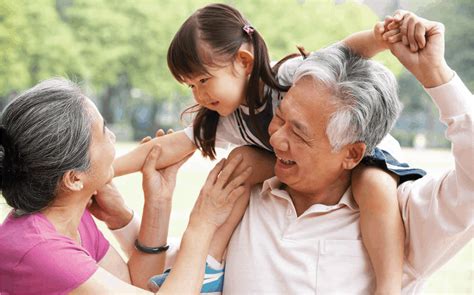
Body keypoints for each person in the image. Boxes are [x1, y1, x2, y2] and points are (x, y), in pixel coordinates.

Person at [112, 4, 426, 292]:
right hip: (302, 159)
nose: (198, 94)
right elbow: (167, 147)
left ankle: (388, 287)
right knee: (239, 165)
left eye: (204, 80)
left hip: (360, 147)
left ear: (244, 61)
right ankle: (209, 266)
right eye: (191, 86)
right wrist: (103, 171)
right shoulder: (231, 118)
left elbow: (345, 51)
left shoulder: (286, 76)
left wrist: (381, 38)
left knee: (372, 184)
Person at [219, 13, 473, 294]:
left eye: (299, 133)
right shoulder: (246, 191)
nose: (276, 138)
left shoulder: (404, 217)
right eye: (279, 118)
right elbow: (187, 275)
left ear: (352, 153)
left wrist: (436, 75)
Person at [0, 78, 252, 294]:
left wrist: (158, 201)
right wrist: (203, 223)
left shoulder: (66, 218)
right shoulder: (40, 249)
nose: (113, 137)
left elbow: (137, 284)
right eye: (103, 131)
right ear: (74, 178)